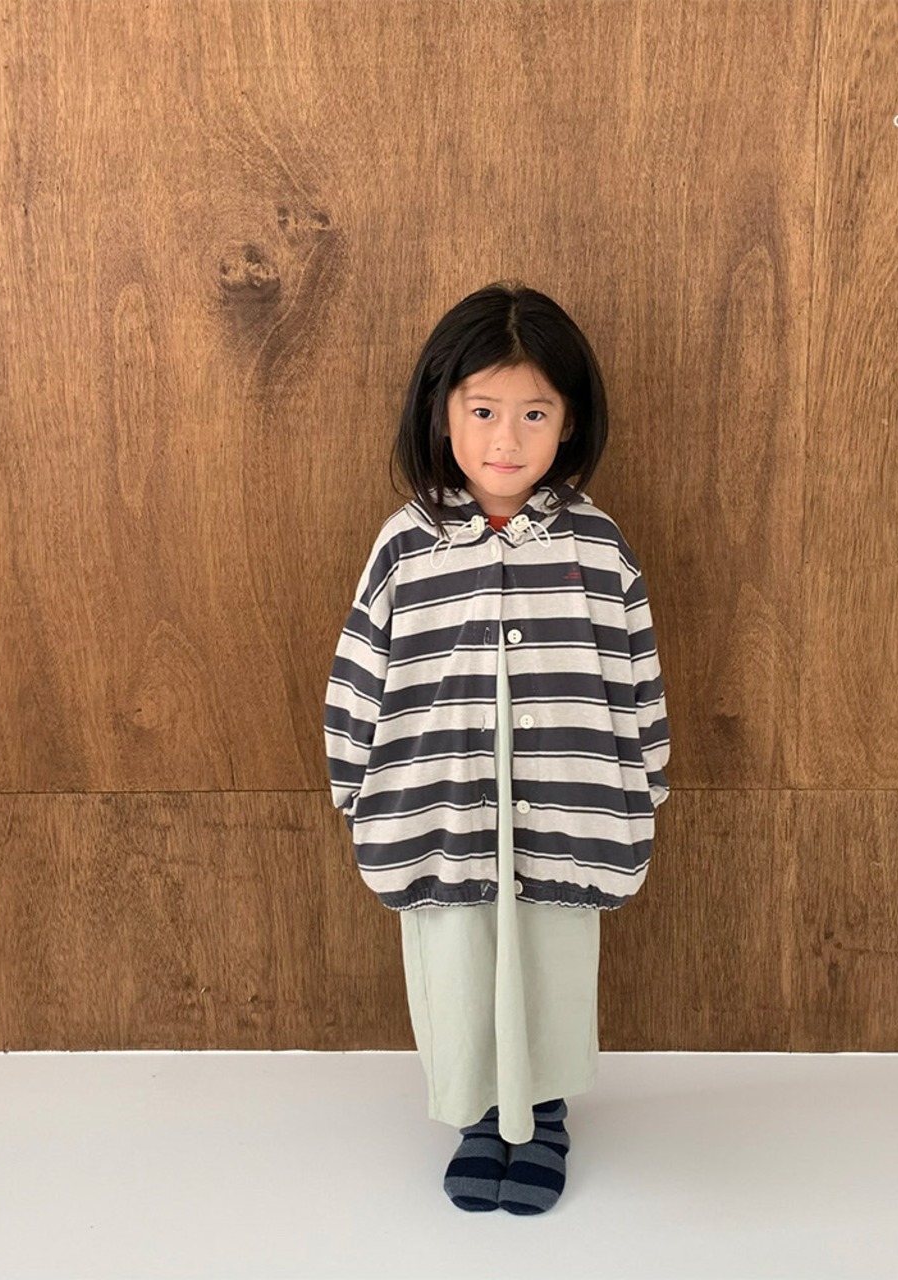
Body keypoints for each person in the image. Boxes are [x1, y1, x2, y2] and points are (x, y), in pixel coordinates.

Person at [323, 280, 670, 1215]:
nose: (505, 439)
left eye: (533, 413)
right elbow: (360, 665)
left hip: (567, 802)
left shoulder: (597, 548)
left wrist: (649, 776)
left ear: (569, 422)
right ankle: (481, 1113)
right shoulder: (407, 546)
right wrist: (351, 779)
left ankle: (542, 1111)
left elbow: (634, 667)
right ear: (443, 413)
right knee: (456, 962)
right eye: (482, 411)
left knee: (552, 961)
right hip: (439, 808)